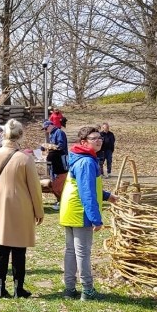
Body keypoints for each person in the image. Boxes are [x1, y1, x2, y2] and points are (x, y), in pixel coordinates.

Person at [0, 119, 45, 299]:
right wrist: (39, 211)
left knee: (1, 246)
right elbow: (35, 188)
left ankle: (0, 287)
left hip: (0, 203)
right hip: (21, 205)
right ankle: (19, 287)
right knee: (19, 248)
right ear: (20, 136)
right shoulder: (25, 158)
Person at [60, 126, 119, 301]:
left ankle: (69, 289)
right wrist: (95, 219)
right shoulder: (86, 162)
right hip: (80, 212)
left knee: (71, 251)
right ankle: (87, 289)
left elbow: (88, 187)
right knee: (82, 252)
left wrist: (108, 196)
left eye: (100, 137)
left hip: (70, 210)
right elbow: (87, 192)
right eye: (94, 138)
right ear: (84, 142)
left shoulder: (81, 158)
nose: (99, 140)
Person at [42, 120, 69, 210]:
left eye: (46, 128)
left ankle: (63, 201)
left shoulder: (59, 132)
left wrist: (49, 146)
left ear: (51, 125)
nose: (46, 130)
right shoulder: (51, 134)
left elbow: (60, 146)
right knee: (54, 181)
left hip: (61, 160)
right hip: (54, 161)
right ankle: (59, 199)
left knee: (60, 181)